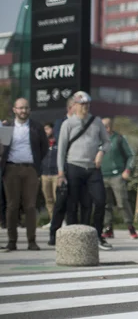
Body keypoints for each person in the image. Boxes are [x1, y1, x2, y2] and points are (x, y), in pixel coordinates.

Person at [57, 91, 112, 251]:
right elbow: (61, 150)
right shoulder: (68, 124)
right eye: (82, 104)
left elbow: (107, 142)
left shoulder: (96, 122)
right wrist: (61, 172)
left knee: (100, 201)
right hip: (74, 166)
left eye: (87, 104)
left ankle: (97, 236)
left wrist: (101, 152)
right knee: (74, 204)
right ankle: (75, 239)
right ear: (74, 105)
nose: (85, 107)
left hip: (92, 168)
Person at [0, 98, 48, 251]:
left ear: (29, 110)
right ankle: (12, 241)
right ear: (14, 109)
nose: (23, 111)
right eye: (20, 108)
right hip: (11, 169)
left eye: (26, 108)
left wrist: (36, 165)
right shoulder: (7, 127)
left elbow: (44, 148)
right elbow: (2, 150)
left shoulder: (36, 127)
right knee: (12, 206)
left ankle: (31, 241)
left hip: (30, 170)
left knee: (30, 206)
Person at [101, 118, 138, 239]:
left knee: (122, 202)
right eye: (103, 126)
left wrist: (127, 170)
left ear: (111, 126)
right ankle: (108, 228)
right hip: (102, 175)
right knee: (106, 204)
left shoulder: (118, 139)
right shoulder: (98, 140)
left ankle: (130, 226)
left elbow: (131, 155)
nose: (106, 128)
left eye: (107, 126)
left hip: (117, 175)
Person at [40, 122, 59, 229]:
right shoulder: (43, 143)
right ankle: (53, 220)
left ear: (52, 129)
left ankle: (61, 220)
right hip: (45, 174)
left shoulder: (58, 142)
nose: (45, 131)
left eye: (47, 129)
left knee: (58, 199)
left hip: (56, 174)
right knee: (48, 199)